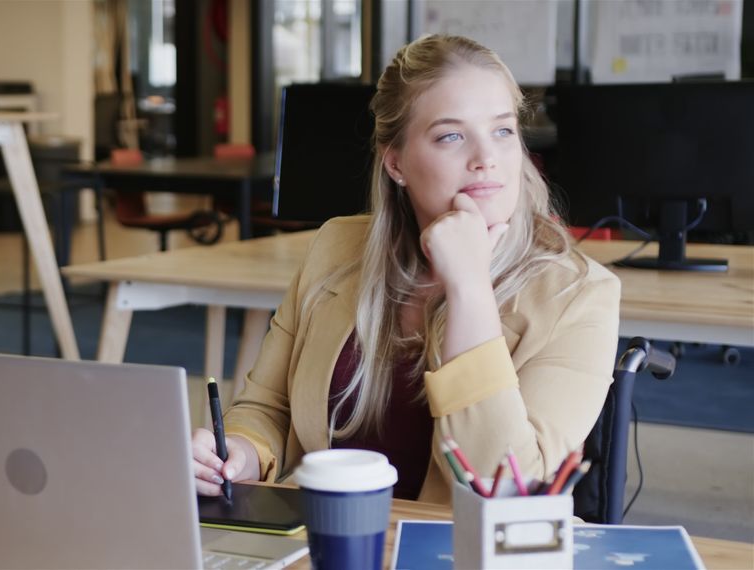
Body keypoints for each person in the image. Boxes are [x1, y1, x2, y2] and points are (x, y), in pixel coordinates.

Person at [191, 34, 620, 504]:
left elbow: (504, 487)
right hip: (328, 537)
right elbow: (266, 407)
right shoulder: (335, 248)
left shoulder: (579, 295)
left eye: (502, 131)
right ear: (395, 162)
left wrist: (469, 288)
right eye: (451, 136)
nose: (486, 159)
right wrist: (238, 451)